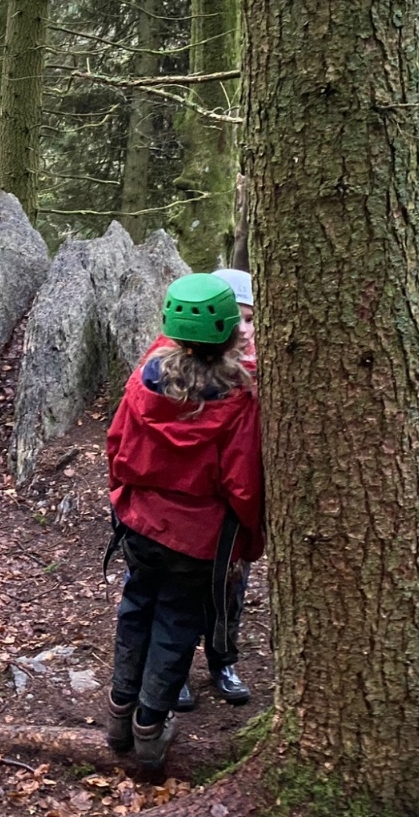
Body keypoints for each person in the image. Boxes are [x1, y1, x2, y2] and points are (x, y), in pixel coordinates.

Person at [105, 273, 265, 771]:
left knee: (136, 609)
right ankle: (150, 728)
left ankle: (118, 716)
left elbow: (117, 444)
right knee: (176, 622)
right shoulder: (240, 397)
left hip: (139, 523)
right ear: (232, 331)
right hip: (198, 538)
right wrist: (249, 542)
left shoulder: (147, 377)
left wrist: (122, 499)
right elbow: (242, 483)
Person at [172, 266, 255, 709]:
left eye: (250, 318)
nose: (244, 329)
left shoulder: (262, 371)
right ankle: (176, 668)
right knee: (181, 591)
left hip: (233, 507)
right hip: (188, 506)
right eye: (235, 318)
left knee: (229, 591)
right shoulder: (181, 368)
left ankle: (223, 660)